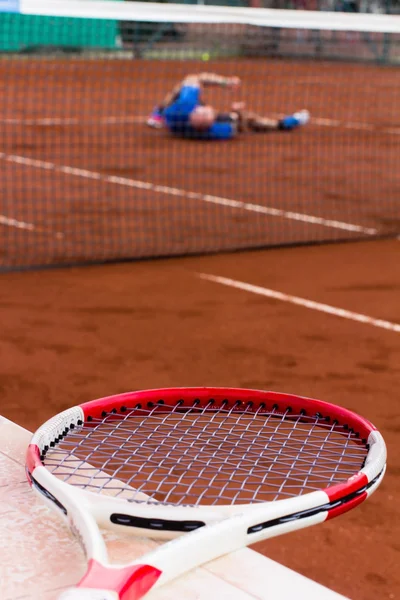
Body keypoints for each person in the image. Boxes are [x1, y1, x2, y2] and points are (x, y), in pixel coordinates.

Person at [146, 72, 309, 140]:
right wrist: (239, 112)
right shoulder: (218, 131)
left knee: (185, 84)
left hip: (174, 119)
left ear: (196, 110)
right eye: (209, 112)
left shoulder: (181, 107)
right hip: (190, 124)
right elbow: (241, 126)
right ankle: (285, 123)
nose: (210, 109)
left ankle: (157, 111)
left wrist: (225, 82)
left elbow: (194, 78)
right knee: (250, 120)